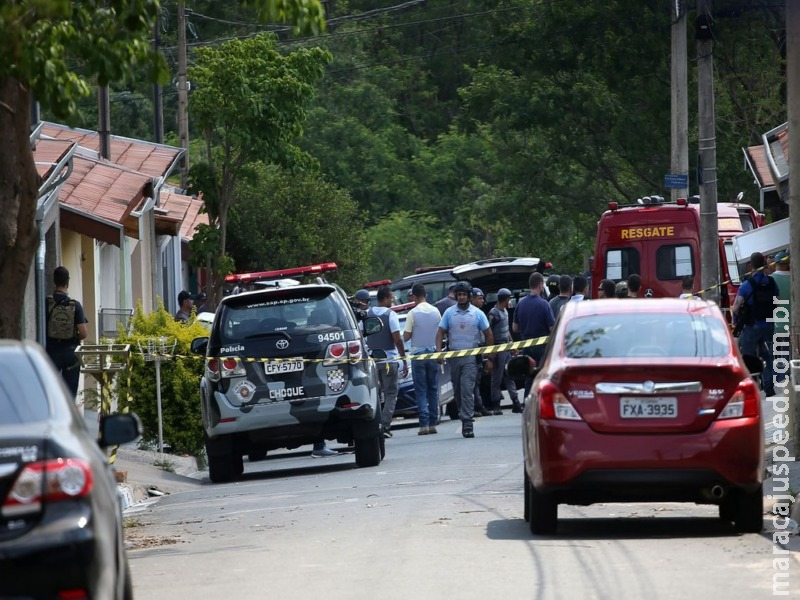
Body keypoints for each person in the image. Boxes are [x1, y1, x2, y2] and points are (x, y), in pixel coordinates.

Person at [436, 281, 494, 438]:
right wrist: (438, 352)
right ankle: (464, 414)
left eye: (464, 295)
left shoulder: (477, 313)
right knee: (458, 391)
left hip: (470, 358)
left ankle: (467, 423)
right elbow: (440, 332)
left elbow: (489, 334)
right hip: (454, 357)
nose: (461, 297)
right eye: (459, 294)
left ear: (469, 296)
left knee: (467, 388)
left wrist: (490, 358)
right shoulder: (449, 313)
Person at [732, 251, 780, 397]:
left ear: (751, 265)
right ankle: (769, 386)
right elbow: (777, 302)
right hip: (768, 326)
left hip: (752, 327)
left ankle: (750, 388)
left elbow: (735, 307)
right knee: (767, 355)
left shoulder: (747, 285)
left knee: (747, 357)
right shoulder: (772, 282)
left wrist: (738, 320)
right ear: (764, 263)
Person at [368, 286, 409, 438]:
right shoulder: (390, 315)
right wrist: (403, 359)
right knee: (391, 393)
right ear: (384, 298)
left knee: (375, 395)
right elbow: (397, 339)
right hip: (389, 360)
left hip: (372, 361)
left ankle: (374, 424)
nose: (392, 300)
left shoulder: (367, 314)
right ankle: (384, 426)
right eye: (391, 297)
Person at [403, 283, 442, 435]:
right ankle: (433, 423)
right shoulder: (436, 311)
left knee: (421, 391)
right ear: (425, 295)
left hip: (418, 355)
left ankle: (424, 425)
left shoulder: (412, 313)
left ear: (414, 297)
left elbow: (406, 335)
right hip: (433, 353)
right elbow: (440, 331)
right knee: (433, 388)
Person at [46, 266, 89, 399]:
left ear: (54, 281)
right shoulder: (74, 305)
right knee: (69, 394)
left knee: (50, 391)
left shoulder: (47, 302)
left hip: (51, 352)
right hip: (70, 353)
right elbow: (83, 333)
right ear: (67, 282)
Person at [513, 272, 555, 397]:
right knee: (543, 376)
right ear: (541, 284)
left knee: (529, 377)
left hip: (526, 345)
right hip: (541, 347)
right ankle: (541, 403)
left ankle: (527, 402)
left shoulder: (521, 304)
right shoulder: (544, 304)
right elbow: (552, 328)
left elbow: (515, 328)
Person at [488, 288, 523, 414]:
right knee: (497, 377)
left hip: (506, 347)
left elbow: (506, 329)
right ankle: (496, 404)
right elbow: (489, 332)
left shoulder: (505, 311)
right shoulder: (494, 313)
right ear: (506, 299)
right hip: (498, 348)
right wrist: (491, 353)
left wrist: (512, 344)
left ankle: (516, 402)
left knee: (509, 375)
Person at [470, 288, 491, 417]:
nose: (482, 301)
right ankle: (477, 406)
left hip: (479, 350)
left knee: (478, 380)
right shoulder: (474, 314)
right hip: (473, 350)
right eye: (479, 298)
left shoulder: (479, 313)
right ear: (472, 299)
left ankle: (479, 405)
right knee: (474, 381)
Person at [772, 250, 791, 372]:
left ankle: (782, 379)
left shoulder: (771, 279)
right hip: (794, 324)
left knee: (778, 356)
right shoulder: (795, 278)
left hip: (777, 324)